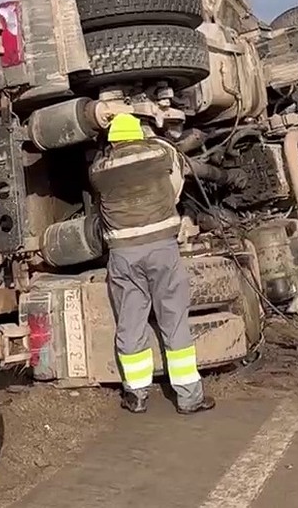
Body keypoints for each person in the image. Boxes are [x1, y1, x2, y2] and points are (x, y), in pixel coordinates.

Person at [87, 113, 215, 415]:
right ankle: (189, 398)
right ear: (139, 136)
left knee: (130, 324)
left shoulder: (100, 170)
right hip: (162, 250)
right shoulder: (157, 155)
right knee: (174, 320)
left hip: (123, 255)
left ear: (112, 143)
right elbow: (170, 152)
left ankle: (136, 395)